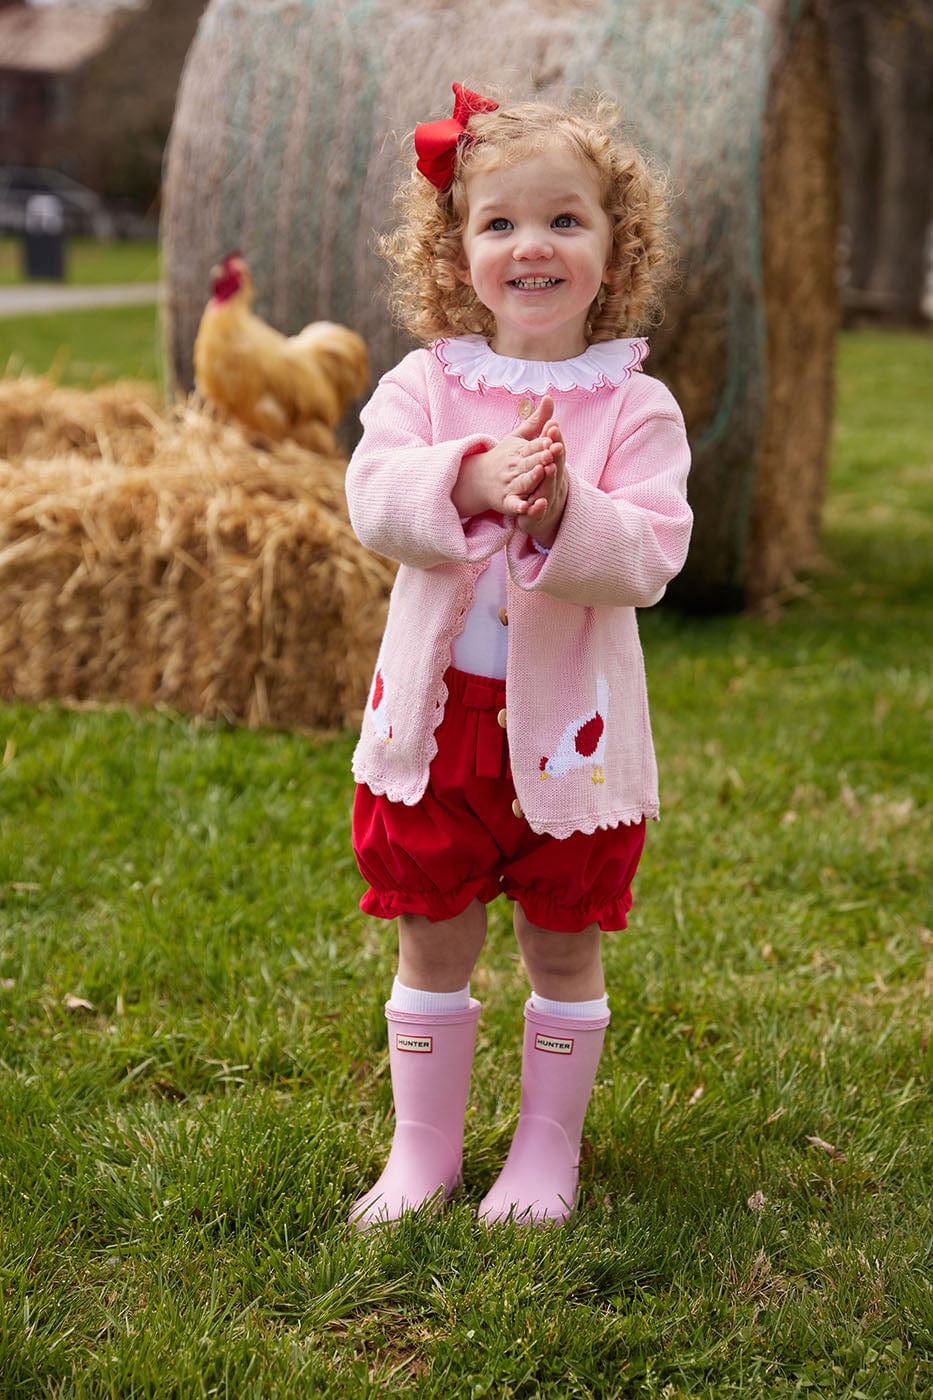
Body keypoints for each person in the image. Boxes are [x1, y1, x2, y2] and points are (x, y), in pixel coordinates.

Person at [345, 83, 692, 1230]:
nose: (530, 245)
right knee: (432, 927)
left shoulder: (635, 405)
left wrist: (557, 514)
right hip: (437, 723)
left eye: (564, 220)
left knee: (561, 935)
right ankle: (422, 1151)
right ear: (455, 253)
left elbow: (648, 552)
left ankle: (546, 1152)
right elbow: (374, 498)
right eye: (498, 223)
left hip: (572, 734)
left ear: (613, 245)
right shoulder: (426, 384)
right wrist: (466, 478)